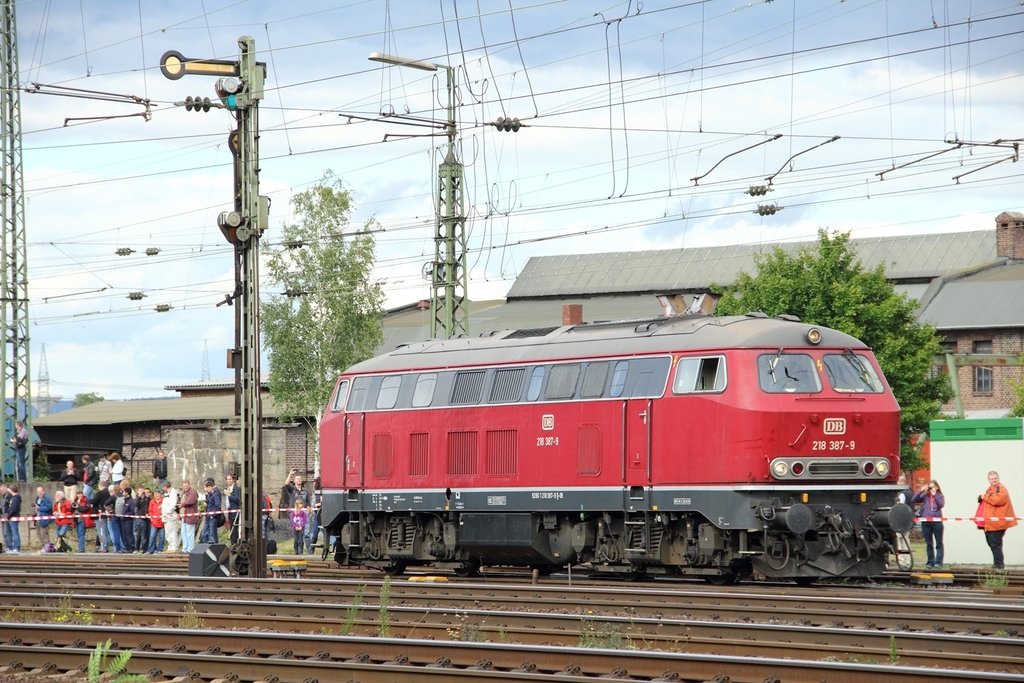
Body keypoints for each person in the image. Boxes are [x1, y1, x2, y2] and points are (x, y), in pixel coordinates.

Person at [979, 471, 1017, 569]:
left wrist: (984, 497)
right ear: (989, 480)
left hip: (997, 522)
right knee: (993, 543)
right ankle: (998, 563)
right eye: (992, 479)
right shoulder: (991, 489)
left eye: (995, 478)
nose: (994, 480)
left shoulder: (1001, 488)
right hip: (991, 522)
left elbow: (998, 500)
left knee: (995, 543)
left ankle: (998, 564)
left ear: (998, 478)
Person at [912, 479, 945, 569]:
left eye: (933, 487)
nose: (931, 489)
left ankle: (938, 562)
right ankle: (930, 562)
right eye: (930, 487)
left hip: (937, 522)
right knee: (929, 543)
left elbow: (941, 505)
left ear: (937, 487)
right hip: (926, 522)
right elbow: (913, 500)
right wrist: (921, 491)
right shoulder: (925, 496)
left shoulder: (940, 496)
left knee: (939, 543)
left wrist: (935, 495)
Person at [70, 487, 93, 553]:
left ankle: (81, 549)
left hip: (82, 519)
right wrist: (73, 506)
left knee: (81, 533)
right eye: (78, 494)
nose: (79, 495)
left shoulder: (86, 500)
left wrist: (78, 507)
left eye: (80, 494)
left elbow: (85, 509)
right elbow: (71, 510)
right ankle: (80, 547)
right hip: (76, 519)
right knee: (78, 534)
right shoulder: (75, 500)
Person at [91, 484, 113, 552]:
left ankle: (103, 547)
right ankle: (105, 545)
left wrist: (89, 502)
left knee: (101, 531)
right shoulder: (108, 493)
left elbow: (94, 501)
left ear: (99, 486)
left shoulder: (100, 493)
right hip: (106, 514)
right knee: (106, 531)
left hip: (100, 515)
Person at [179, 480, 199, 553]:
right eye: (184, 486)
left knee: (190, 533)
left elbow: (189, 501)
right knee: (183, 532)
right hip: (185, 516)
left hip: (191, 515)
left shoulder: (192, 493)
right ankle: (185, 548)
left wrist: (181, 505)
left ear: (189, 485)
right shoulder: (185, 493)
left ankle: (190, 548)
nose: (185, 487)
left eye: (186, 486)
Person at [161, 480, 180, 553]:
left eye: (163, 487)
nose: (162, 488)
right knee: (168, 533)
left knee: (172, 532)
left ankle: (173, 547)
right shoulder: (167, 493)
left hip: (170, 516)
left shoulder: (172, 493)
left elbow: (172, 504)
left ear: (165, 486)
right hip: (166, 516)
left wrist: (167, 512)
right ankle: (170, 547)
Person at [200, 478, 222, 544]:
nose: (206, 489)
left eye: (206, 488)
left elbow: (218, 506)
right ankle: (205, 546)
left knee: (212, 534)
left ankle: (214, 548)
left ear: (210, 487)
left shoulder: (215, 495)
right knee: (204, 533)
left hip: (212, 517)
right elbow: (208, 503)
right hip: (208, 516)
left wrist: (213, 515)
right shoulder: (209, 495)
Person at [223, 474, 241, 544]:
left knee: (234, 529)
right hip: (230, 510)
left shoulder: (235, 488)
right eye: (227, 479)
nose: (228, 481)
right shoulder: (229, 488)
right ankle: (232, 543)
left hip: (234, 511)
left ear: (233, 480)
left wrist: (229, 495)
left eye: (230, 479)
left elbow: (237, 499)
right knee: (231, 528)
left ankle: (234, 543)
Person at [4, 483, 21, 552]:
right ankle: (15, 546)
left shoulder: (14, 499)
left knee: (15, 533)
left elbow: (13, 509)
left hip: (13, 517)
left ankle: (16, 547)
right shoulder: (16, 498)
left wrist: (8, 516)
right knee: (14, 532)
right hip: (13, 517)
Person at [120, 481, 136, 553]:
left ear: (127, 493)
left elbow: (132, 511)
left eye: (124, 492)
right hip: (123, 519)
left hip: (128, 520)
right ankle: (126, 547)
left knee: (129, 533)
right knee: (124, 534)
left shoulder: (131, 501)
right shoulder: (125, 500)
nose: (123, 493)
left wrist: (126, 515)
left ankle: (131, 547)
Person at [135, 487, 151, 553]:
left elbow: (148, 505)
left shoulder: (146, 499)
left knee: (145, 534)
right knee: (139, 534)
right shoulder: (137, 498)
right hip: (140, 518)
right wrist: (139, 496)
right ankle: (137, 548)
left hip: (146, 518)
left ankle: (144, 548)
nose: (142, 492)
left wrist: (147, 497)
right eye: (140, 491)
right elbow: (136, 505)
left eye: (142, 490)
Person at [0, 483, 10, 551]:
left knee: (7, 532)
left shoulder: (9, 497)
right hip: (2, 517)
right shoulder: (3, 497)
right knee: (4, 532)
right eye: (0, 490)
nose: (1, 492)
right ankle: (7, 545)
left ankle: (9, 546)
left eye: (2, 490)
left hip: (6, 517)